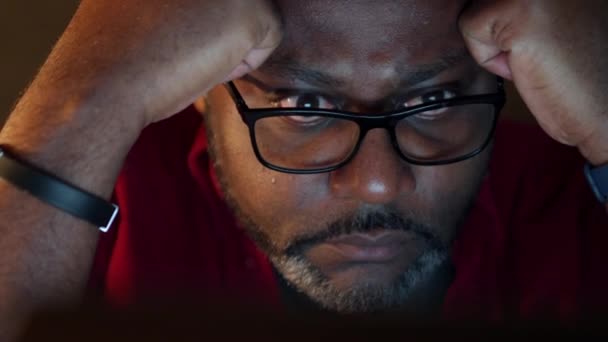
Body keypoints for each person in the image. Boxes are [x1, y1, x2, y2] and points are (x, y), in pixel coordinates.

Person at [0, 0, 607, 338]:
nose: (375, 181)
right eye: (303, 105)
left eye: (434, 101)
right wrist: (79, 101)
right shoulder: (100, 194)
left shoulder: (577, 202)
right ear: (196, 86)